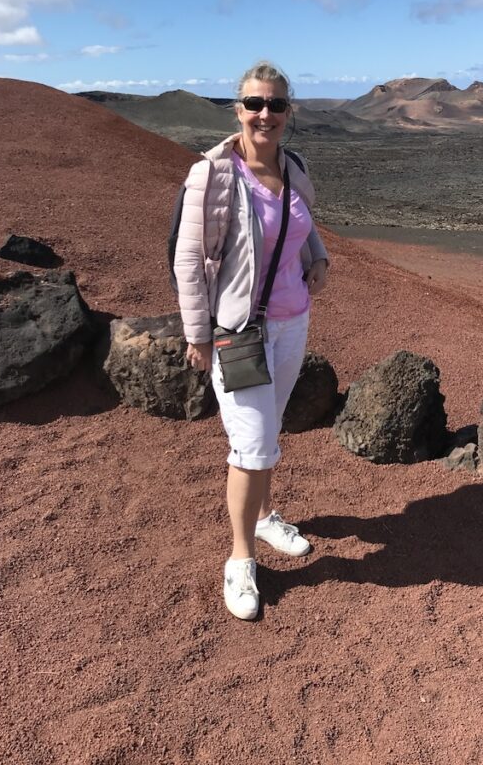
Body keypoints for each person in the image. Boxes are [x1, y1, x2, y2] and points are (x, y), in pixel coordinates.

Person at [173, 61, 329, 620]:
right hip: (237, 332)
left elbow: (303, 221)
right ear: (237, 109)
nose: (266, 114)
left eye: (277, 105)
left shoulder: (294, 166)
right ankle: (240, 558)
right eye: (255, 103)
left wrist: (318, 259)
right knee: (254, 444)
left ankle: (264, 518)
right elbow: (188, 261)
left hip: (292, 321)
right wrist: (197, 333)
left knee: (271, 428)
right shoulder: (213, 175)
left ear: (289, 113)